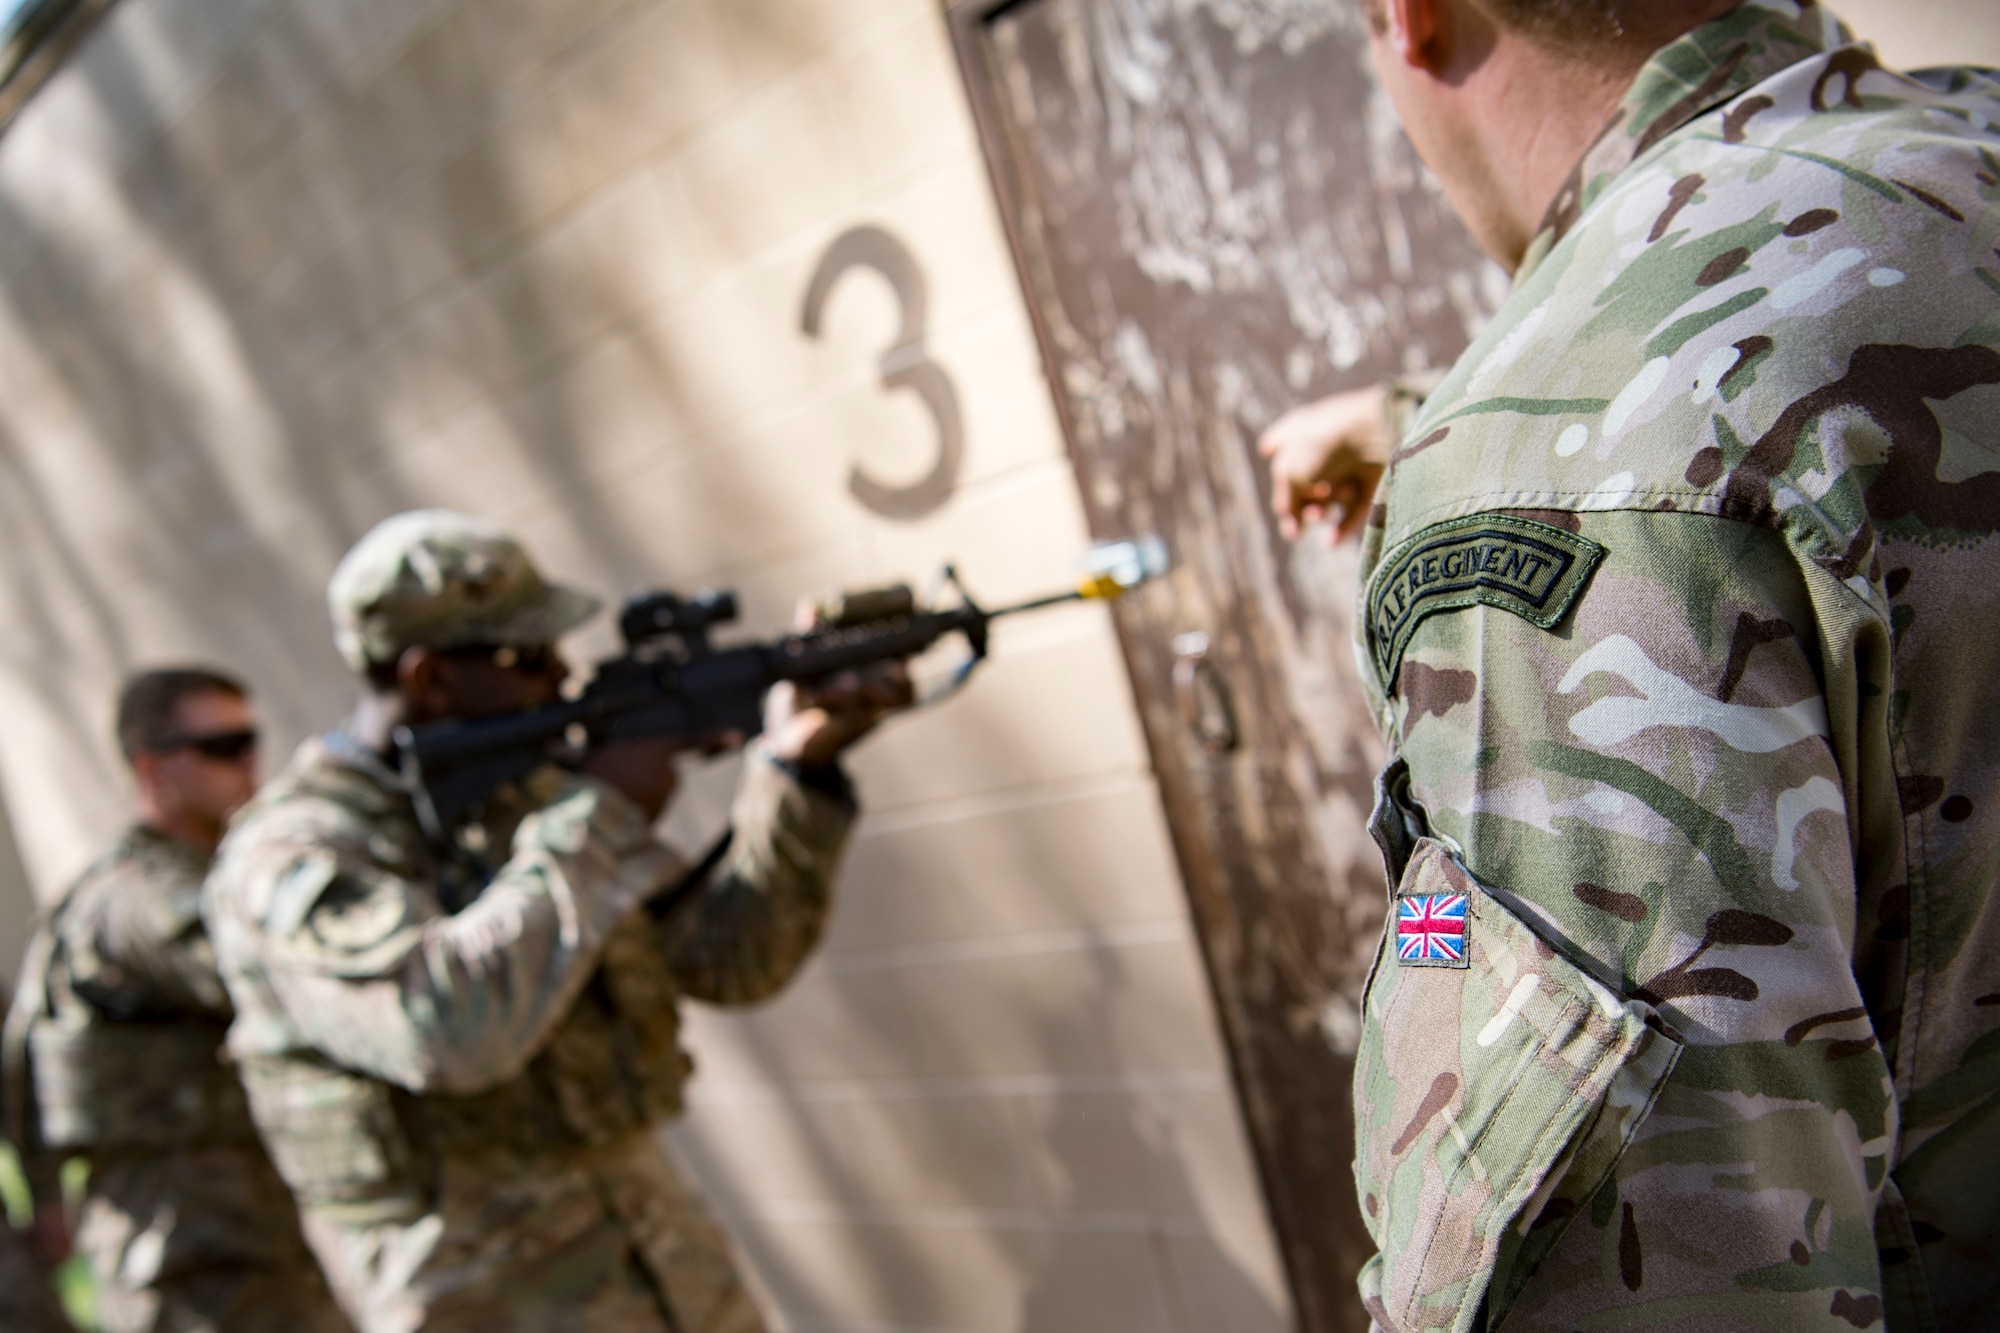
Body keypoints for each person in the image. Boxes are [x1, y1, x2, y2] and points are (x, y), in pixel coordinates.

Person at [1261, 1, 1999, 1328]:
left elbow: (1628, 1256)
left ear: (1410, 20)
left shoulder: (1541, 483)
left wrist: (1431, 922)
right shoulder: (1968, 147)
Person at [201, 510, 912, 1332]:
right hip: (486, 1301)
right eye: (526, 656)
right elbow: (447, 1030)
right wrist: (602, 813)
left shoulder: (525, 800)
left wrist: (797, 769)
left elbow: (731, 959)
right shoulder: (294, 855)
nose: (560, 674)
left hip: (671, 1273)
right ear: (429, 676)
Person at [4, 669, 349, 1332]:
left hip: (243, 1236)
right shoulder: (142, 897)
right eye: (222, 746)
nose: (249, 763)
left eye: (250, 739)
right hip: (191, 1259)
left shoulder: (189, 875)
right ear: (152, 767)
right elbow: (273, 978)